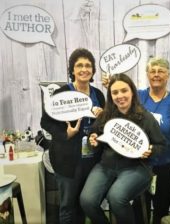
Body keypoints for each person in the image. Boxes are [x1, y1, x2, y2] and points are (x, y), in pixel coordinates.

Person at [102, 57, 170, 224]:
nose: (156, 74)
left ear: (168, 75)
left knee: (162, 206)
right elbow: (119, 101)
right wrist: (111, 86)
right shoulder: (137, 96)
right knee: (139, 207)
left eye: (161, 71)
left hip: (166, 162)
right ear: (147, 74)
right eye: (152, 71)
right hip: (139, 164)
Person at [80, 73, 166, 224]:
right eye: (115, 92)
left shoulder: (146, 118)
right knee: (87, 201)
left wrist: (150, 150)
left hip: (136, 167)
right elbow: (94, 134)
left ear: (132, 91)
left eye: (124, 90)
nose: (120, 96)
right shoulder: (106, 115)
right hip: (106, 165)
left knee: (116, 198)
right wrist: (93, 139)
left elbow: (161, 146)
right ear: (111, 95)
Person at [40, 48, 105, 224]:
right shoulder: (62, 93)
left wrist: (101, 118)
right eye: (79, 65)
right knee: (68, 206)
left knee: (84, 203)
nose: (84, 69)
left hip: (92, 160)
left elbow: (104, 126)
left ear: (92, 70)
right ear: (72, 69)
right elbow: (46, 122)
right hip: (67, 161)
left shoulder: (98, 94)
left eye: (88, 65)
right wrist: (65, 134)